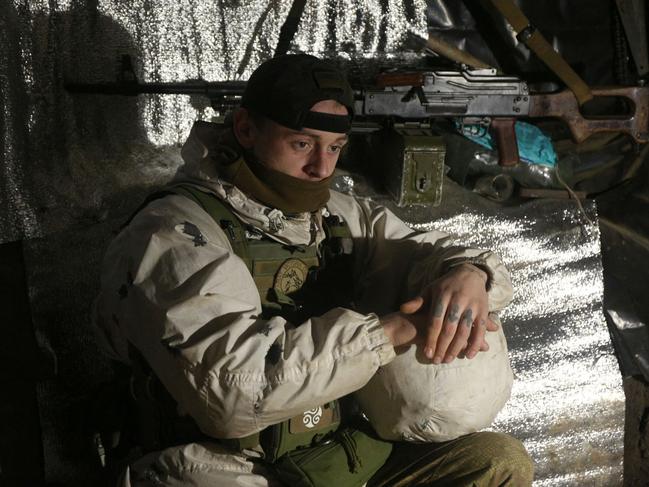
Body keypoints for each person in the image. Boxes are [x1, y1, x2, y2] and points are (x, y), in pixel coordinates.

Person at [94, 54, 533, 486]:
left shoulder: (337, 217)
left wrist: (469, 274)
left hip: (331, 456)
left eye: (335, 148)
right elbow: (231, 392)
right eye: (302, 144)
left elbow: (423, 251)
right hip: (222, 469)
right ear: (246, 129)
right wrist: (389, 333)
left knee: (493, 461)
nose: (321, 167)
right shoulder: (174, 233)